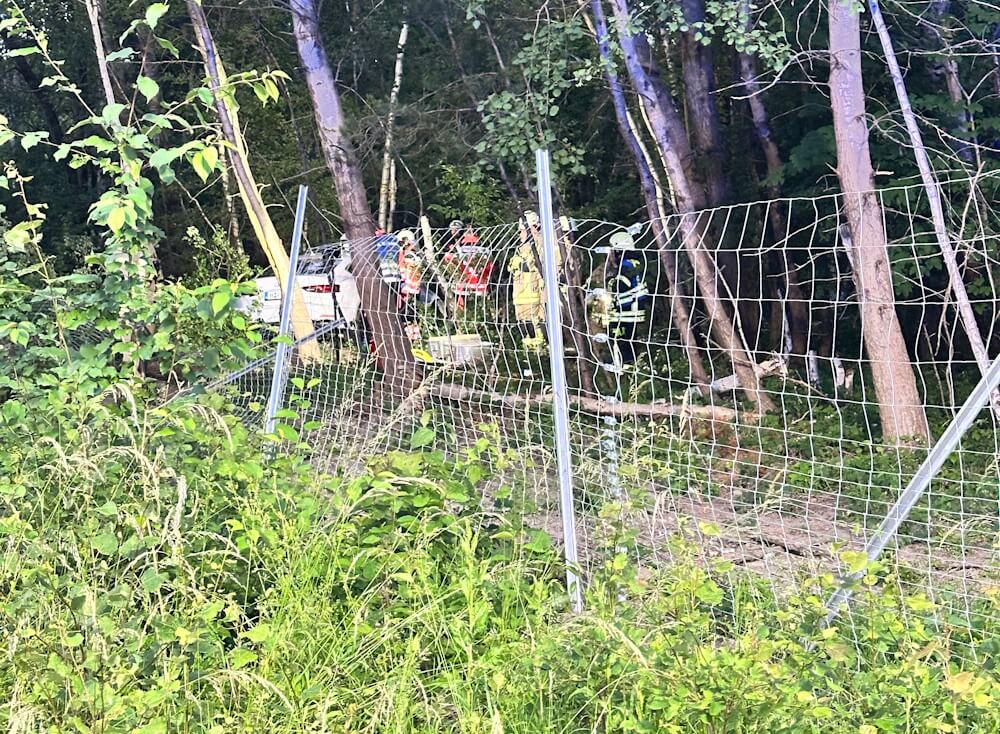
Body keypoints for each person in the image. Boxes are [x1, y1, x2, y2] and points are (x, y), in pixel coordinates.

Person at [605, 232, 649, 368]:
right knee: (631, 340)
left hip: (625, 313)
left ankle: (624, 368)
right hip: (635, 309)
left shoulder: (625, 266)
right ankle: (631, 366)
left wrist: (609, 280)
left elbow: (619, 287)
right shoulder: (636, 263)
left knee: (622, 341)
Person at [396, 229, 423, 344]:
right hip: (413, 287)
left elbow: (404, 271)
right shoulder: (415, 253)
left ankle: (410, 336)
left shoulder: (408, 254)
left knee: (406, 313)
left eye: (401, 242)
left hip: (408, 287)